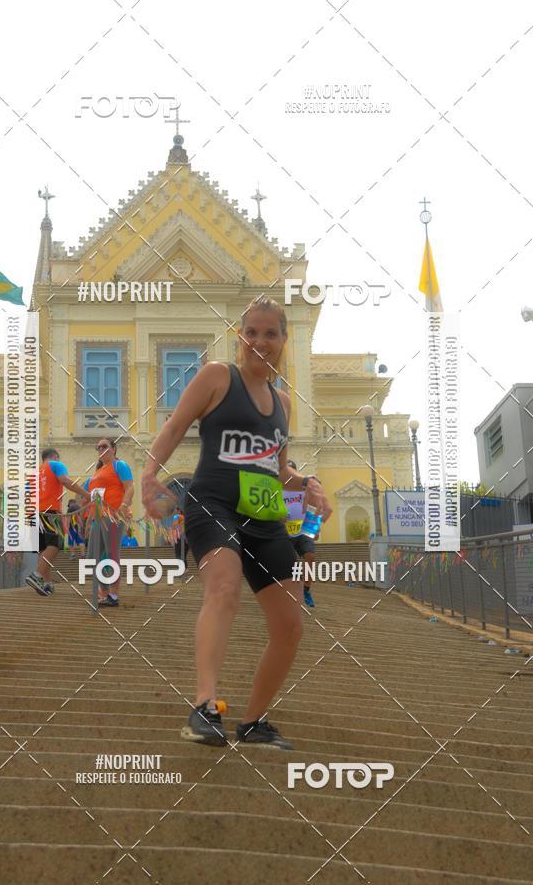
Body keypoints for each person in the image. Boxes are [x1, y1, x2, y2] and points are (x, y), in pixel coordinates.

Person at [142, 295, 331, 750]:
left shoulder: (283, 403)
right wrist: (147, 478)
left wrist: (309, 483)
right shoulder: (216, 377)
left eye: (271, 333)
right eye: (252, 332)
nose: (260, 341)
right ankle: (204, 707)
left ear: (285, 341)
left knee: (290, 625)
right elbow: (173, 428)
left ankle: (253, 722)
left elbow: (279, 468)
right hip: (214, 503)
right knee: (223, 586)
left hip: (264, 516)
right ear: (239, 336)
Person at [25, 448, 89, 596]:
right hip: (50, 512)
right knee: (56, 544)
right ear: (54, 456)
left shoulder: (34, 473)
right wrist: (87, 494)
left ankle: (46, 583)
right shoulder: (56, 465)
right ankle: (37, 575)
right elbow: (66, 481)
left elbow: (27, 495)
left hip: (33, 514)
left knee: (43, 549)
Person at [83, 438, 133, 608]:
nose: (101, 449)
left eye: (104, 446)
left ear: (114, 449)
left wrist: (124, 506)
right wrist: (89, 522)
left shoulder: (120, 466)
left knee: (112, 554)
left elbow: (130, 488)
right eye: (98, 447)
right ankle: (104, 591)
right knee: (92, 557)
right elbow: (94, 499)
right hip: (98, 517)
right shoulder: (97, 472)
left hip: (114, 515)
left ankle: (113, 594)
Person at [283, 460, 318, 608]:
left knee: (310, 557)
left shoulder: (304, 489)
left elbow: (312, 509)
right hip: (284, 532)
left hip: (302, 530)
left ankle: (306, 591)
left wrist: (316, 529)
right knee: (291, 564)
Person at [173, 505, 190, 570]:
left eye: (175, 511)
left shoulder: (176, 517)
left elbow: (175, 527)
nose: (174, 512)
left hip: (181, 538)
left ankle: (183, 570)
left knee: (179, 555)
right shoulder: (185, 518)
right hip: (185, 539)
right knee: (182, 556)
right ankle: (185, 569)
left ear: (179, 511)